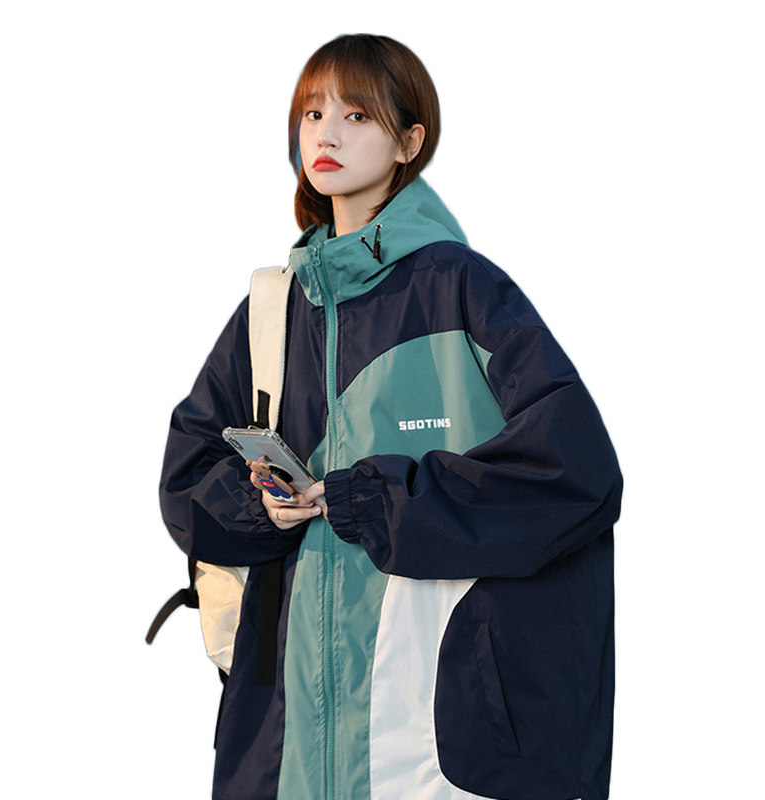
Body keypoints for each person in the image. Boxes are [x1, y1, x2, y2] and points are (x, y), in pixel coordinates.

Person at [159, 33, 623, 800]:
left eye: (356, 115)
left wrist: (380, 502)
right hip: (287, 741)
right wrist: (259, 503)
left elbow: (576, 476)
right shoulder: (273, 309)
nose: (327, 135)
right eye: (313, 113)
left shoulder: (462, 290)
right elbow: (185, 481)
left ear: (410, 142)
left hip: (435, 742)